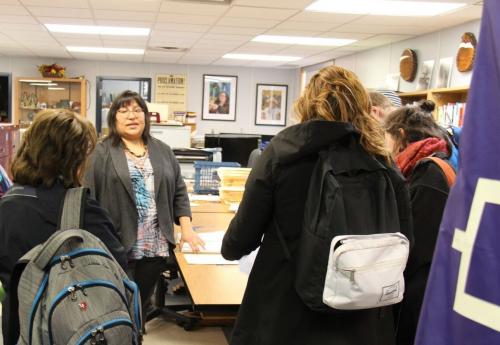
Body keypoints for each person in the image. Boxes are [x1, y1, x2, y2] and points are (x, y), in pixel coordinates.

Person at [221, 66, 412, 345]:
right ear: (361, 105)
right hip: (360, 317)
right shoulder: (382, 161)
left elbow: (239, 241)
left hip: (285, 313)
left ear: (307, 103)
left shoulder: (281, 154)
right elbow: (406, 241)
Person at [0, 109, 126, 345]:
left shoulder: (7, 205)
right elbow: (118, 268)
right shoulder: (82, 209)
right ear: (73, 158)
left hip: (20, 327)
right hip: (73, 326)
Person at [84, 90, 204, 322]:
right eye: (124, 110)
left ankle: (135, 333)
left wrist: (187, 228)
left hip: (155, 247)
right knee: (116, 306)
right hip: (116, 245)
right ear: (114, 118)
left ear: (146, 117)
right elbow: (88, 199)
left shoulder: (162, 150)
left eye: (138, 110)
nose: (132, 115)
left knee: (139, 305)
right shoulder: (101, 152)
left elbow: (179, 191)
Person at [384, 100, 454, 345]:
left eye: (387, 138)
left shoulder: (427, 173)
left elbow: (418, 244)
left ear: (400, 135)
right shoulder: (430, 164)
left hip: (420, 293)